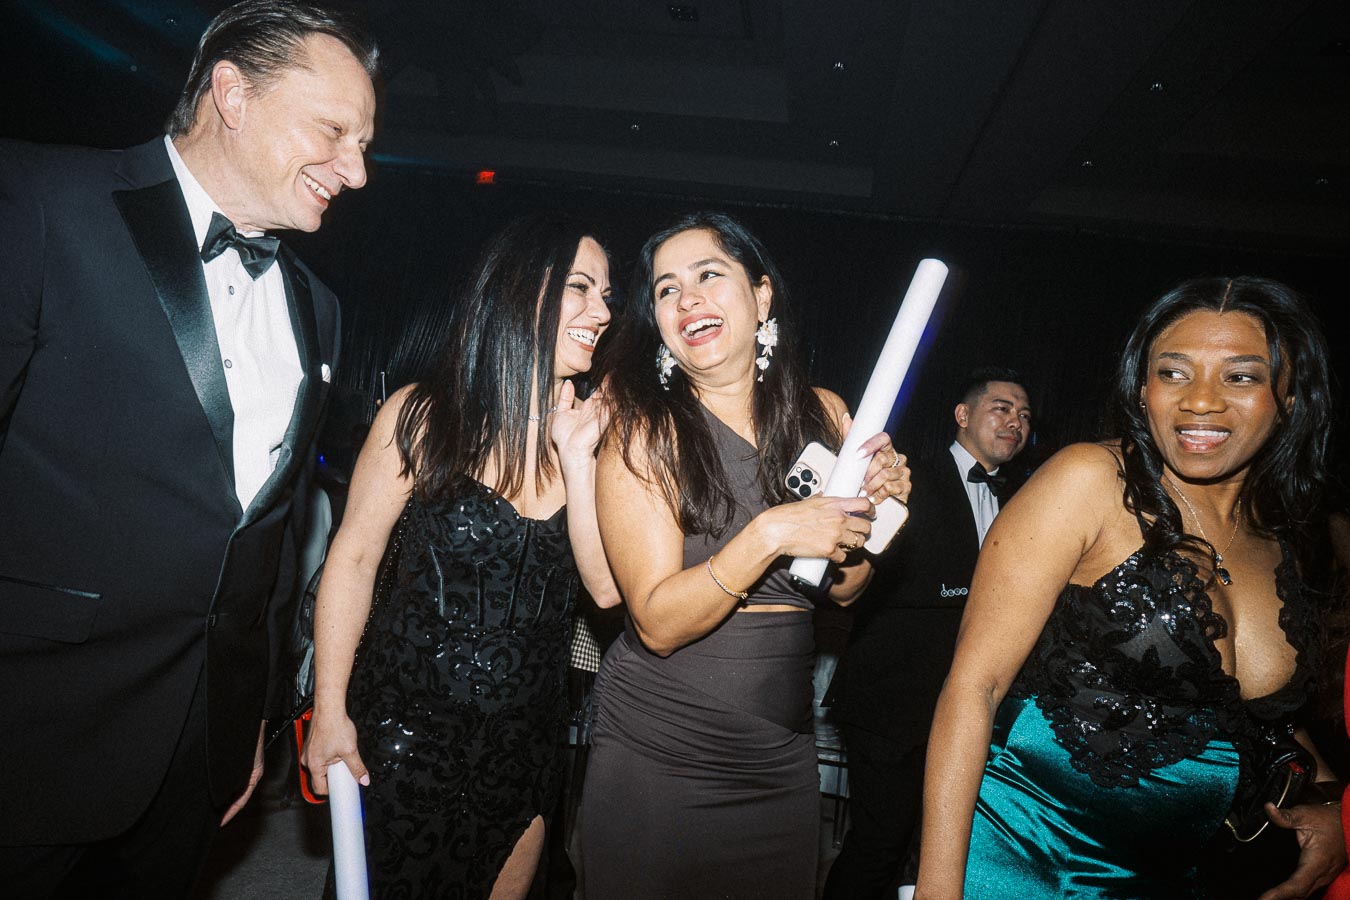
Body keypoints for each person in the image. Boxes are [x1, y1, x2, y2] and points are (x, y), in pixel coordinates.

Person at [0, 1, 377, 894]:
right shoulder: (43, 202)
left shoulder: (317, 305)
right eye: (334, 131)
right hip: (29, 730)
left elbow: (270, 540)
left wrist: (240, 723)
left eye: (363, 144)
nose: (356, 171)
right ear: (233, 92)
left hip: (196, 754)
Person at [916, 276, 1345, 899]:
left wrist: (1335, 809)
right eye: (1173, 373)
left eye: (1241, 376)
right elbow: (973, 689)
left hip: (1180, 879)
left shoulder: (1287, 538)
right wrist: (937, 889)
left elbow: (1262, 717)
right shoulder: (1090, 482)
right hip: (1029, 861)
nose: (1200, 401)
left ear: (1290, 396)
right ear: (1142, 391)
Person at [579, 211, 912, 899]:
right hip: (661, 743)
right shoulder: (644, 431)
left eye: (709, 276)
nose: (686, 299)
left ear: (761, 298)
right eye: (666, 290)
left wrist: (875, 517)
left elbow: (843, 591)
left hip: (780, 752)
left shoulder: (823, 414)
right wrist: (771, 534)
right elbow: (657, 623)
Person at [301, 214, 621, 899]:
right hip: (403, 736)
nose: (603, 310)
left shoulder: (593, 438)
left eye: (607, 294)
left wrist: (580, 461)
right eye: (581, 287)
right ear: (517, 293)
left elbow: (607, 590)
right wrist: (330, 707)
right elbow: (352, 560)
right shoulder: (422, 417)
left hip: (525, 749)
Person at [824, 366, 1032, 900]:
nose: (1016, 422)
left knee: (936, 847)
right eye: (1003, 408)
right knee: (879, 844)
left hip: (960, 704)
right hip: (890, 696)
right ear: (963, 416)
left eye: (1025, 415)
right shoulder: (910, 476)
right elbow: (864, 576)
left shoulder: (1022, 500)